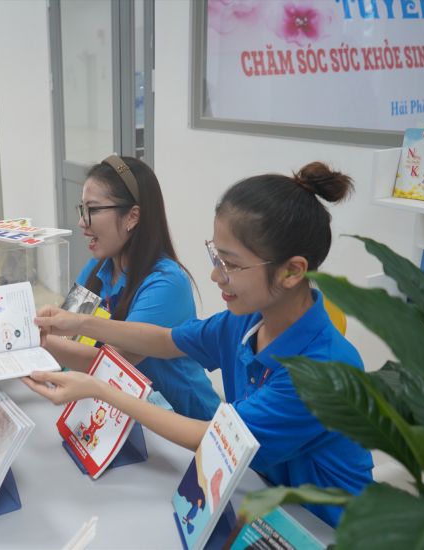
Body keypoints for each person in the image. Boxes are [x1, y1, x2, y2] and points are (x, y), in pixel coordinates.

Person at [26, 162, 374, 527]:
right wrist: (76, 321)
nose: (214, 275)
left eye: (231, 264)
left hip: (325, 528)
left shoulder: (323, 370)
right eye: (215, 256)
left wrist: (101, 390)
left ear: (292, 271)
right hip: (262, 497)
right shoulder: (246, 320)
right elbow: (165, 340)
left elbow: (217, 438)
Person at [44, 155, 220, 420]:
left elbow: (109, 365)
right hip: (118, 416)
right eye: (82, 209)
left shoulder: (166, 283)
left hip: (185, 428)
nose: (82, 222)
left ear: (132, 217)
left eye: (92, 210)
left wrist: (39, 340)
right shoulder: (97, 270)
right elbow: (69, 341)